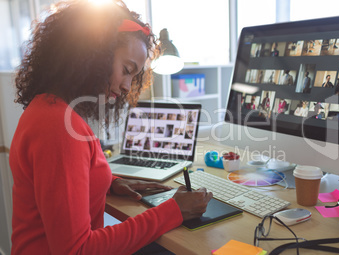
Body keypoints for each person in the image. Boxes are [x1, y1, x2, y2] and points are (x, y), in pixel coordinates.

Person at [9, 1, 213, 254]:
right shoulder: (59, 127)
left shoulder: (47, 108)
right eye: (127, 70)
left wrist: (108, 181)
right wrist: (173, 210)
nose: (128, 86)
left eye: (134, 76)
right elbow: (79, 250)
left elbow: (59, 183)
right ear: (92, 54)